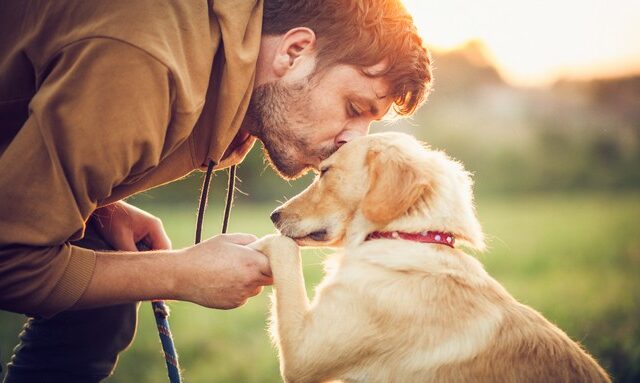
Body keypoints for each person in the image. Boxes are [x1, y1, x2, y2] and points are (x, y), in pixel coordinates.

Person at [0, 0, 431, 381]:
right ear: (295, 50)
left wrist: (101, 207)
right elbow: (9, 260)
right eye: (354, 108)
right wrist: (179, 274)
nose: (353, 140)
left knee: (102, 297)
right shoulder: (148, 61)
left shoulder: (223, 63)